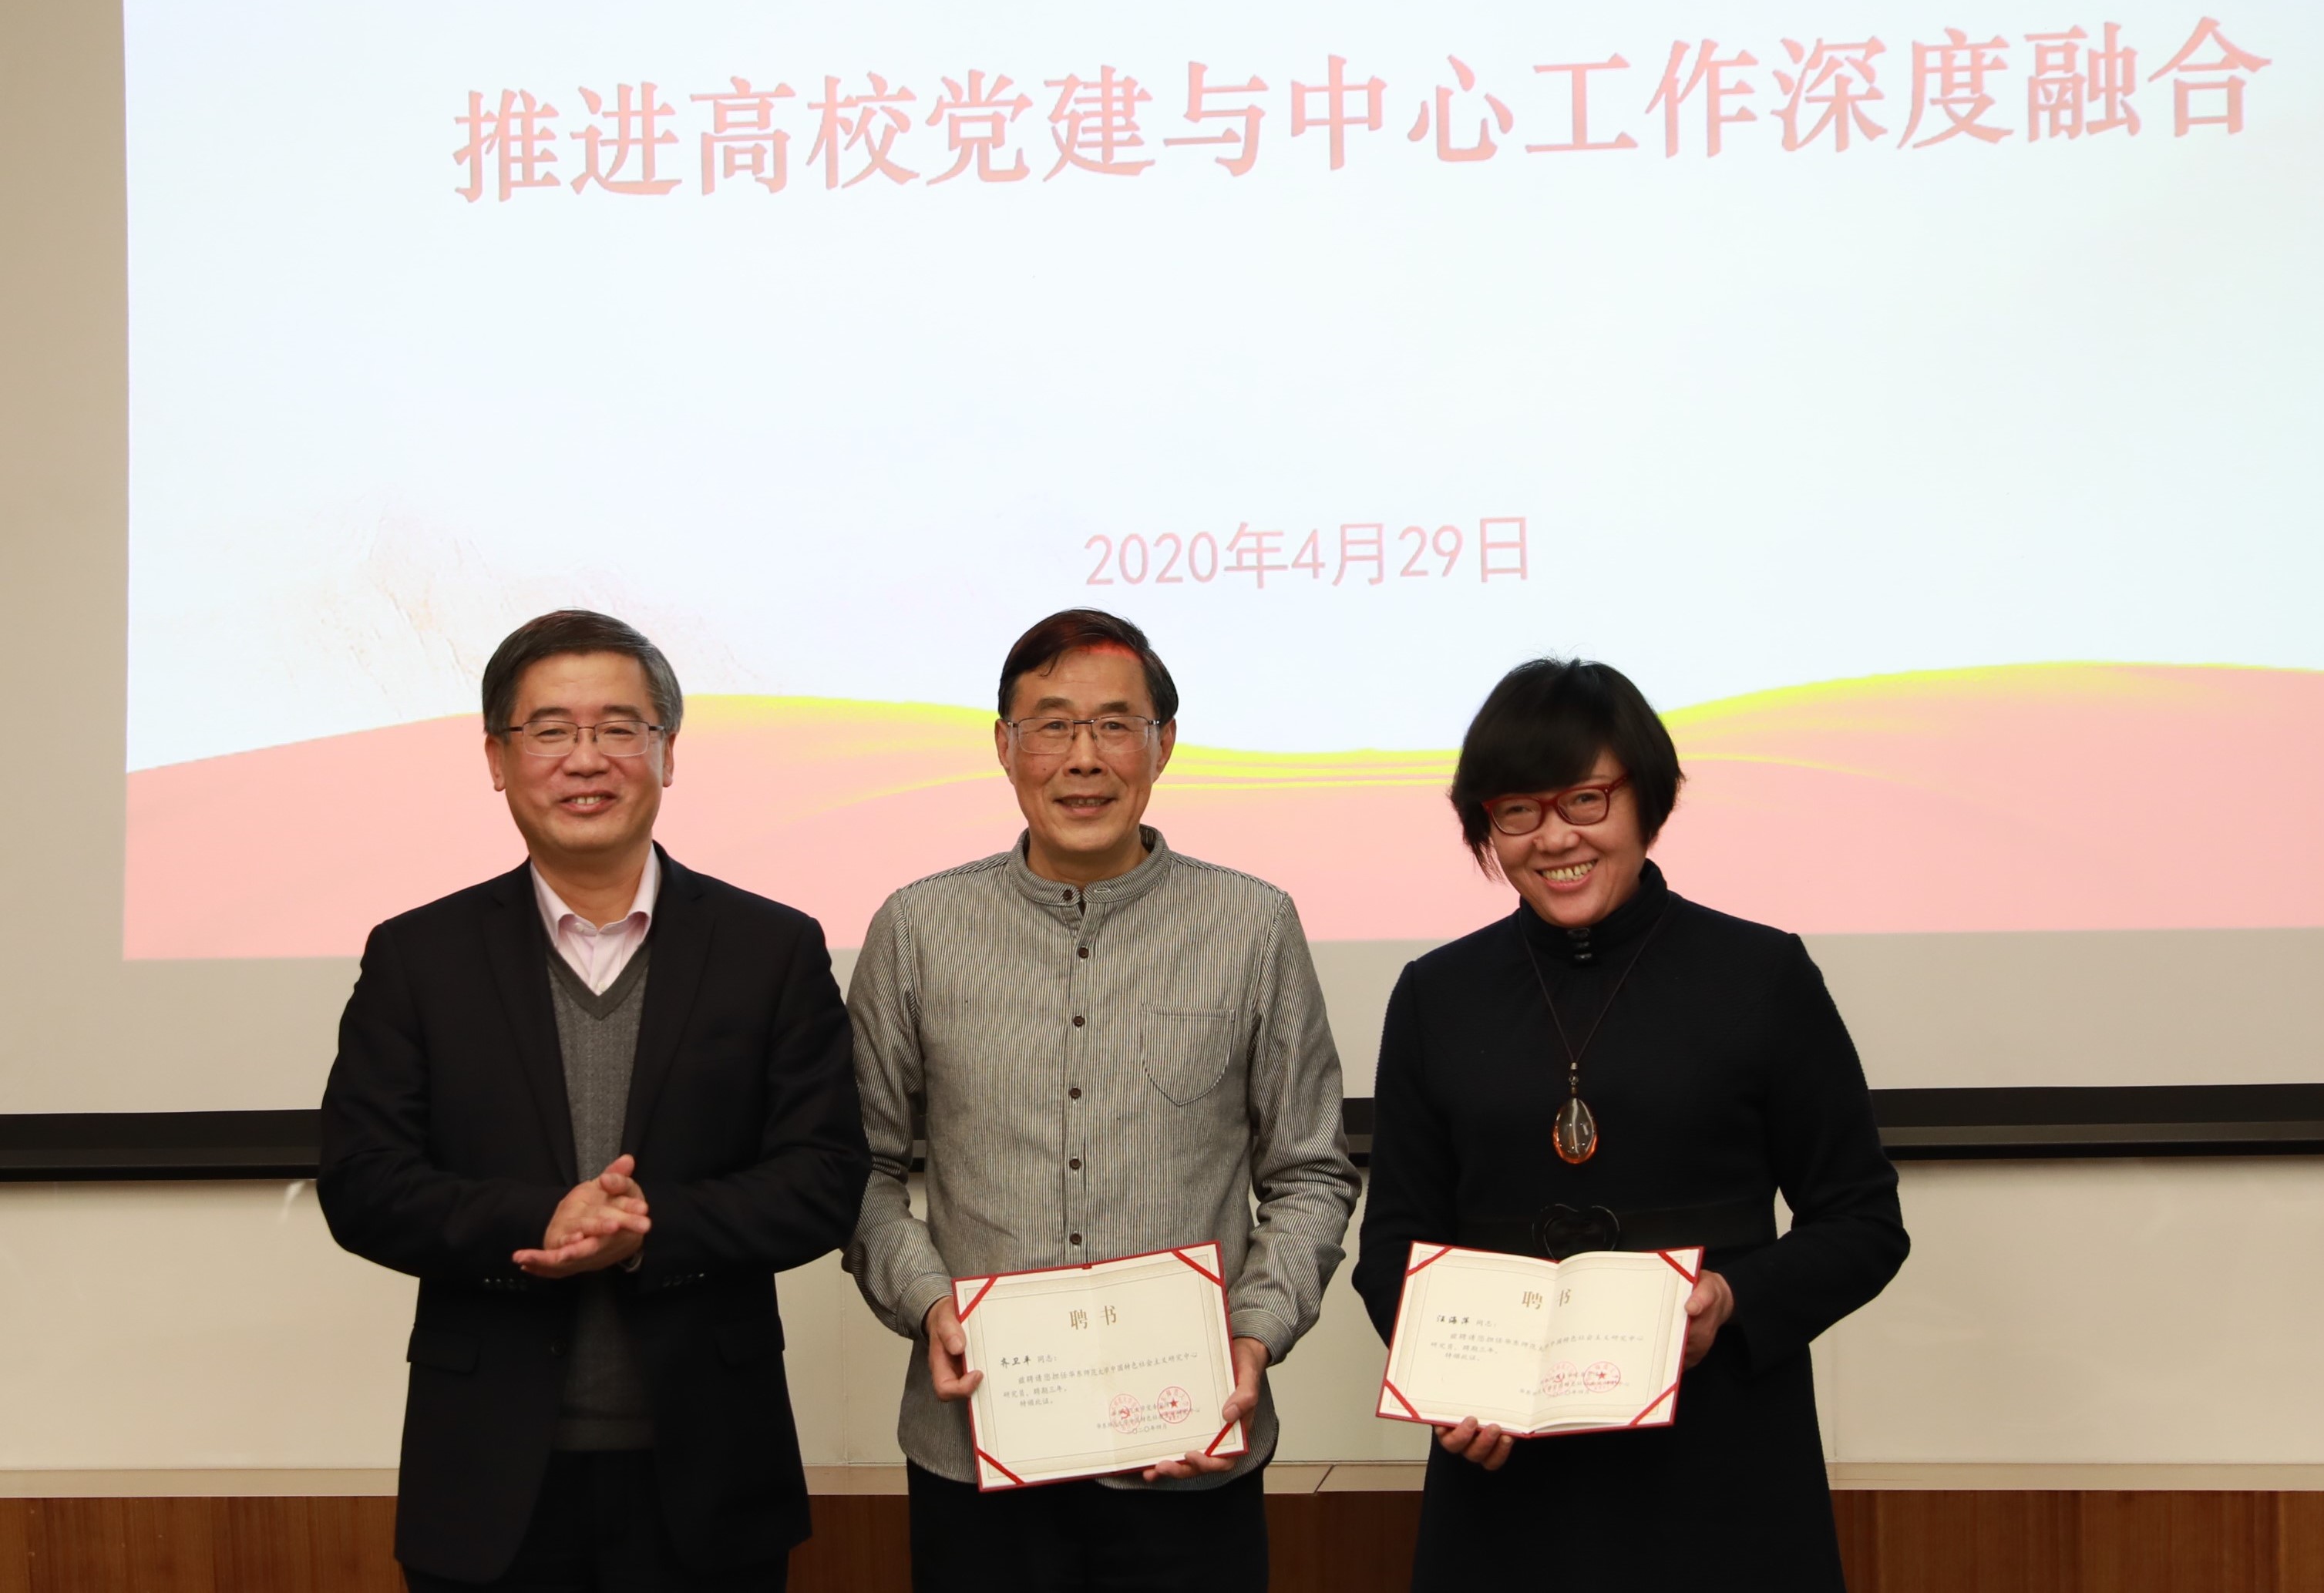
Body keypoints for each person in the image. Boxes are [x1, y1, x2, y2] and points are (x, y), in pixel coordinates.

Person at [318, 610, 869, 1591]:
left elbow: (825, 1176)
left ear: (668, 752)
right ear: (497, 758)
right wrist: (539, 1219)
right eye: (551, 730)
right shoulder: (419, 956)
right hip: (488, 1473)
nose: (587, 759)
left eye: (620, 728)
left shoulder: (770, 948)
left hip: (711, 1468)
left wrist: (651, 1228)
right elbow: (363, 1183)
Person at [1352, 658, 1909, 1591]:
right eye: (1516, 810)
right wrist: (1448, 1387)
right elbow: (1394, 1243)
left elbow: (1863, 1222)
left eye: (1585, 799)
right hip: (1507, 1477)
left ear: (1648, 798)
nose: (1553, 837)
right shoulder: (1435, 995)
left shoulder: (1761, 975)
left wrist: (1731, 1298)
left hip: (1722, 1466)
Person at [845, 608, 1360, 1593]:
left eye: (1115, 724)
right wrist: (927, 1300)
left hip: (1192, 1446)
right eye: (1052, 724)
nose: (1083, 758)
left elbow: (1310, 1170)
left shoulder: (1253, 924)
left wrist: (1253, 1330)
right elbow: (853, 1166)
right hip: (976, 1451)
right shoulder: (917, 929)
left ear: (1163, 744)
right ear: (1005, 746)